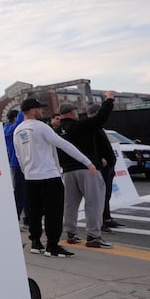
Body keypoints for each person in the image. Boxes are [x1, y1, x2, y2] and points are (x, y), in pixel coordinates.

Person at [13, 98, 97, 258]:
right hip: (49, 176)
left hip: (31, 178)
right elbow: (64, 145)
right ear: (32, 111)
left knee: (35, 211)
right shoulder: (41, 127)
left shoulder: (18, 130)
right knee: (54, 212)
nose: (42, 111)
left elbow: (19, 155)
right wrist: (87, 162)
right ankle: (52, 245)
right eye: (39, 108)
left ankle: (36, 243)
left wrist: (27, 172)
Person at [57, 92, 116, 250]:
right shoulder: (80, 125)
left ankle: (70, 233)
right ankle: (94, 236)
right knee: (94, 203)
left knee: (70, 203)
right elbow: (101, 118)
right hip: (87, 168)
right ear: (71, 113)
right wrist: (109, 100)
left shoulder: (56, 131)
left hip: (68, 171)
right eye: (75, 111)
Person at [87, 104, 123, 230]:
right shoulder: (91, 128)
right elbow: (90, 146)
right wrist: (99, 157)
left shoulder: (98, 128)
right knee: (101, 194)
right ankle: (101, 221)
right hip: (101, 165)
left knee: (106, 193)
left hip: (108, 164)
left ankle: (107, 218)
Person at [4, 108, 28, 228]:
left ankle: (27, 219)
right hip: (16, 164)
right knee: (19, 193)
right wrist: (22, 111)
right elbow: (15, 127)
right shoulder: (7, 129)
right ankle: (15, 218)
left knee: (27, 193)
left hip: (24, 164)